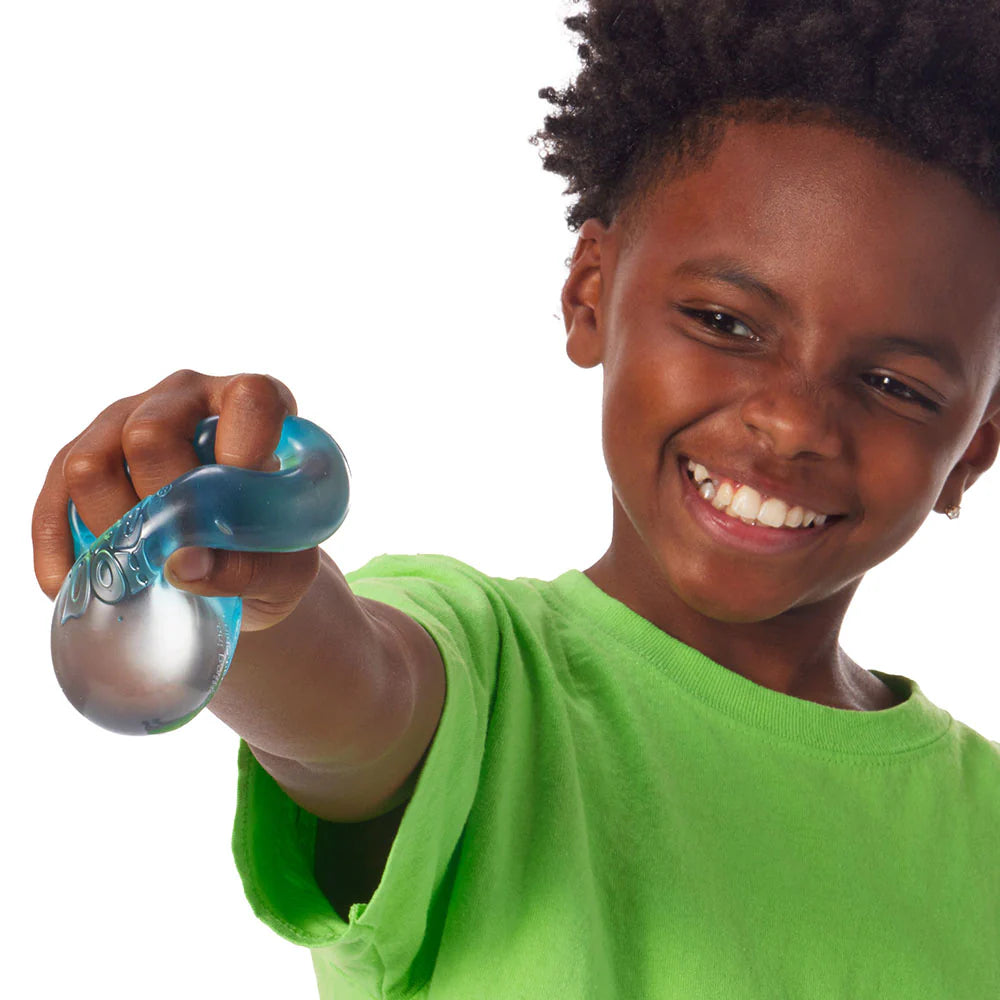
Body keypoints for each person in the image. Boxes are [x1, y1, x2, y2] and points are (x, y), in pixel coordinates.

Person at [32, 1, 1000, 996]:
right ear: (590, 295)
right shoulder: (486, 672)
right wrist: (261, 594)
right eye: (724, 321)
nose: (793, 423)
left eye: (895, 384)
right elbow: (349, 697)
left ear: (974, 447)